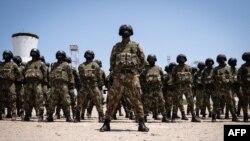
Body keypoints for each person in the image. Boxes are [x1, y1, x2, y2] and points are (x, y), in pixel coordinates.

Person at [100, 24, 149, 132]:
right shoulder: (116, 47)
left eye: (127, 30)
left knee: (137, 99)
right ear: (120, 33)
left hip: (132, 76)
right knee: (112, 99)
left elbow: (143, 61)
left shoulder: (136, 46)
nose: (125, 32)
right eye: (124, 30)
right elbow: (112, 62)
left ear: (131, 32)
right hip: (119, 77)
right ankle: (106, 123)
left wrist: (136, 72)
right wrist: (117, 72)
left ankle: (141, 123)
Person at [76, 50, 104, 122]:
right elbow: (79, 77)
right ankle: (77, 116)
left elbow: (99, 77)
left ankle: (101, 116)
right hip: (84, 85)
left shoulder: (95, 65)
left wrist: (99, 85)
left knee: (98, 101)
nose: (88, 56)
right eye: (87, 54)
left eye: (89, 55)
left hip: (93, 85)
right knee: (79, 101)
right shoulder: (81, 66)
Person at [140, 54, 170, 122]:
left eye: (153, 59)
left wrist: (161, 86)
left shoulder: (159, 68)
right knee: (146, 103)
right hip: (148, 90)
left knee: (162, 102)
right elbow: (141, 79)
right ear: (148, 60)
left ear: (155, 60)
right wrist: (144, 87)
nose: (152, 61)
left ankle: (164, 117)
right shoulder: (145, 69)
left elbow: (163, 78)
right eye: (150, 59)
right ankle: (144, 117)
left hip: (158, 89)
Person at [172, 54, 201, 122]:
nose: (181, 59)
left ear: (185, 59)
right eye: (180, 58)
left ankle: (193, 116)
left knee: (191, 102)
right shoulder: (175, 68)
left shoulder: (188, 67)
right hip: (178, 87)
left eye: (183, 58)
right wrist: (174, 86)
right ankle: (173, 117)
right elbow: (173, 78)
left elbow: (191, 77)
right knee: (176, 102)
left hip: (187, 87)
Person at [212, 54, 239, 122]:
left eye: (222, 59)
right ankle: (213, 117)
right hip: (218, 89)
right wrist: (217, 85)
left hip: (227, 89)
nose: (221, 60)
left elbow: (233, 77)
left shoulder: (229, 68)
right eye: (219, 59)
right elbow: (213, 79)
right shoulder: (215, 69)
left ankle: (234, 116)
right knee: (216, 103)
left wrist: (230, 82)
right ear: (217, 60)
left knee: (230, 103)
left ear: (225, 59)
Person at [23, 48, 47, 121]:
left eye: (35, 53)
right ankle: (27, 114)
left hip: (37, 84)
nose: (33, 54)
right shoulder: (28, 63)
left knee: (39, 99)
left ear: (38, 54)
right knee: (27, 99)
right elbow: (24, 72)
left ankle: (40, 115)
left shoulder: (41, 63)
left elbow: (45, 73)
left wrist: (44, 83)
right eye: (32, 53)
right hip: (28, 84)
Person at [0, 50, 21, 120]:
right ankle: (2, 113)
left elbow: (19, 73)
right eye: (5, 54)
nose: (6, 56)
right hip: (2, 84)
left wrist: (17, 80)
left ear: (10, 56)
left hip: (11, 84)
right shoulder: (1, 64)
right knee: (1, 99)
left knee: (12, 99)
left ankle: (13, 114)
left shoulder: (13, 64)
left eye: (7, 54)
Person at [237, 52, 250, 122]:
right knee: (245, 102)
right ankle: (245, 116)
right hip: (245, 87)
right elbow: (238, 77)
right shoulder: (243, 67)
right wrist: (242, 83)